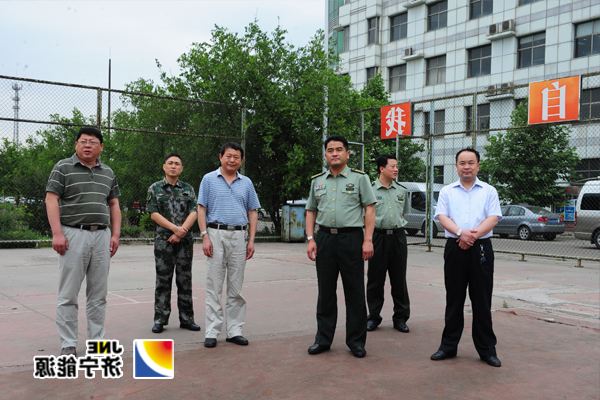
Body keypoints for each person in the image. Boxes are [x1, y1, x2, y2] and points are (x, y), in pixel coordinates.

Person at [45, 126, 121, 357]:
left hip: (102, 236)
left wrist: (115, 235)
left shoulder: (108, 172)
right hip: (72, 235)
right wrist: (57, 233)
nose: (88, 145)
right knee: (68, 294)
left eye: (93, 142)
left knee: (98, 294)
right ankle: (68, 343)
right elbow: (51, 199)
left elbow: (114, 204)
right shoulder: (63, 167)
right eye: (83, 141)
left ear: (101, 147)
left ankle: (96, 343)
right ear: (76, 144)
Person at [430, 147, 503, 367]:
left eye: (471, 162)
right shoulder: (447, 191)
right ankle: (448, 346)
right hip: (455, 247)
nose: (467, 167)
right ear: (456, 167)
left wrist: (471, 236)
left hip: (481, 248)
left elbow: (493, 218)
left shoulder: (489, 191)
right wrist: (461, 233)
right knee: (454, 299)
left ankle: (487, 350)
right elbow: (442, 217)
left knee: (482, 300)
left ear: (478, 165)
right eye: (462, 163)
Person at [305, 135, 376, 358]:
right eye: (330, 150)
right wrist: (310, 238)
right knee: (325, 292)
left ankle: (356, 341)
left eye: (339, 149)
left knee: (354, 291)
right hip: (325, 239)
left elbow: (370, 209)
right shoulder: (317, 181)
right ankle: (323, 339)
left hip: (351, 239)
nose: (334, 153)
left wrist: (367, 240)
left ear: (347, 153)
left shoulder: (360, 178)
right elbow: (311, 210)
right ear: (325, 155)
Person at [197, 142, 260, 348]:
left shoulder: (246, 183)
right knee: (214, 285)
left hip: (239, 235)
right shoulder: (208, 179)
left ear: (241, 160)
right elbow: (201, 208)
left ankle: (234, 331)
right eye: (228, 156)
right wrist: (205, 236)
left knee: (236, 286)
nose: (232, 160)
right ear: (220, 157)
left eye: (236, 157)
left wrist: (251, 240)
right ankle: (212, 332)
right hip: (215, 233)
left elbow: (252, 211)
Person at [147, 154, 199, 334]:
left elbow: (194, 212)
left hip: (185, 241)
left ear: (181, 168)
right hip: (164, 241)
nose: (173, 166)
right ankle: (160, 319)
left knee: (185, 279)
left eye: (177, 164)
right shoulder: (155, 188)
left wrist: (181, 231)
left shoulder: (188, 189)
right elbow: (153, 213)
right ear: (164, 166)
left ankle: (187, 319)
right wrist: (174, 229)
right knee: (163, 280)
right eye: (170, 163)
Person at [366, 154, 411, 333]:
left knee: (399, 279)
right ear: (381, 168)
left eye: (397, 166)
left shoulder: (401, 190)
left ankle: (400, 318)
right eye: (392, 166)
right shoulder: (369, 190)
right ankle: (373, 317)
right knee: (375, 280)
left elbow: (403, 214)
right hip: (377, 237)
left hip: (398, 237)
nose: (396, 169)